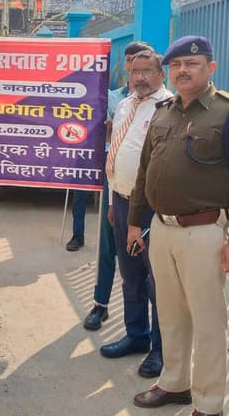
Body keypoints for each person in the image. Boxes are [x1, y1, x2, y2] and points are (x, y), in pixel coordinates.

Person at [130, 36, 229, 416]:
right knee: (171, 314)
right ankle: (175, 383)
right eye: (176, 65)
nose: (183, 71)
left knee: (207, 321)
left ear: (211, 68)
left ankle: (209, 403)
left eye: (192, 64)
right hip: (162, 229)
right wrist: (136, 222)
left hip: (204, 233)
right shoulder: (163, 111)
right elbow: (144, 172)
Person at [100, 50, 171, 378]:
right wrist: (113, 203)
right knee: (130, 275)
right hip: (121, 201)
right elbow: (118, 151)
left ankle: (161, 349)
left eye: (147, 71)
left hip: (151, 208)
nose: (140, 77)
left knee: (158, 281)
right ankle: (137, 335)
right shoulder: (126, 104)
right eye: (135, 71)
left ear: (161, 75)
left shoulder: (168, 107)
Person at [84, 41, 153, 330]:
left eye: (142, 65)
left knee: (146, 260)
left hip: (147, 195)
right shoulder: (115, 100)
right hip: (115, 184)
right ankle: (101, 305)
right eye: (130, 63)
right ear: (126, 66)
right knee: (109, 247)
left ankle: (152, 335)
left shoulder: (162, 103)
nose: (136, 71)